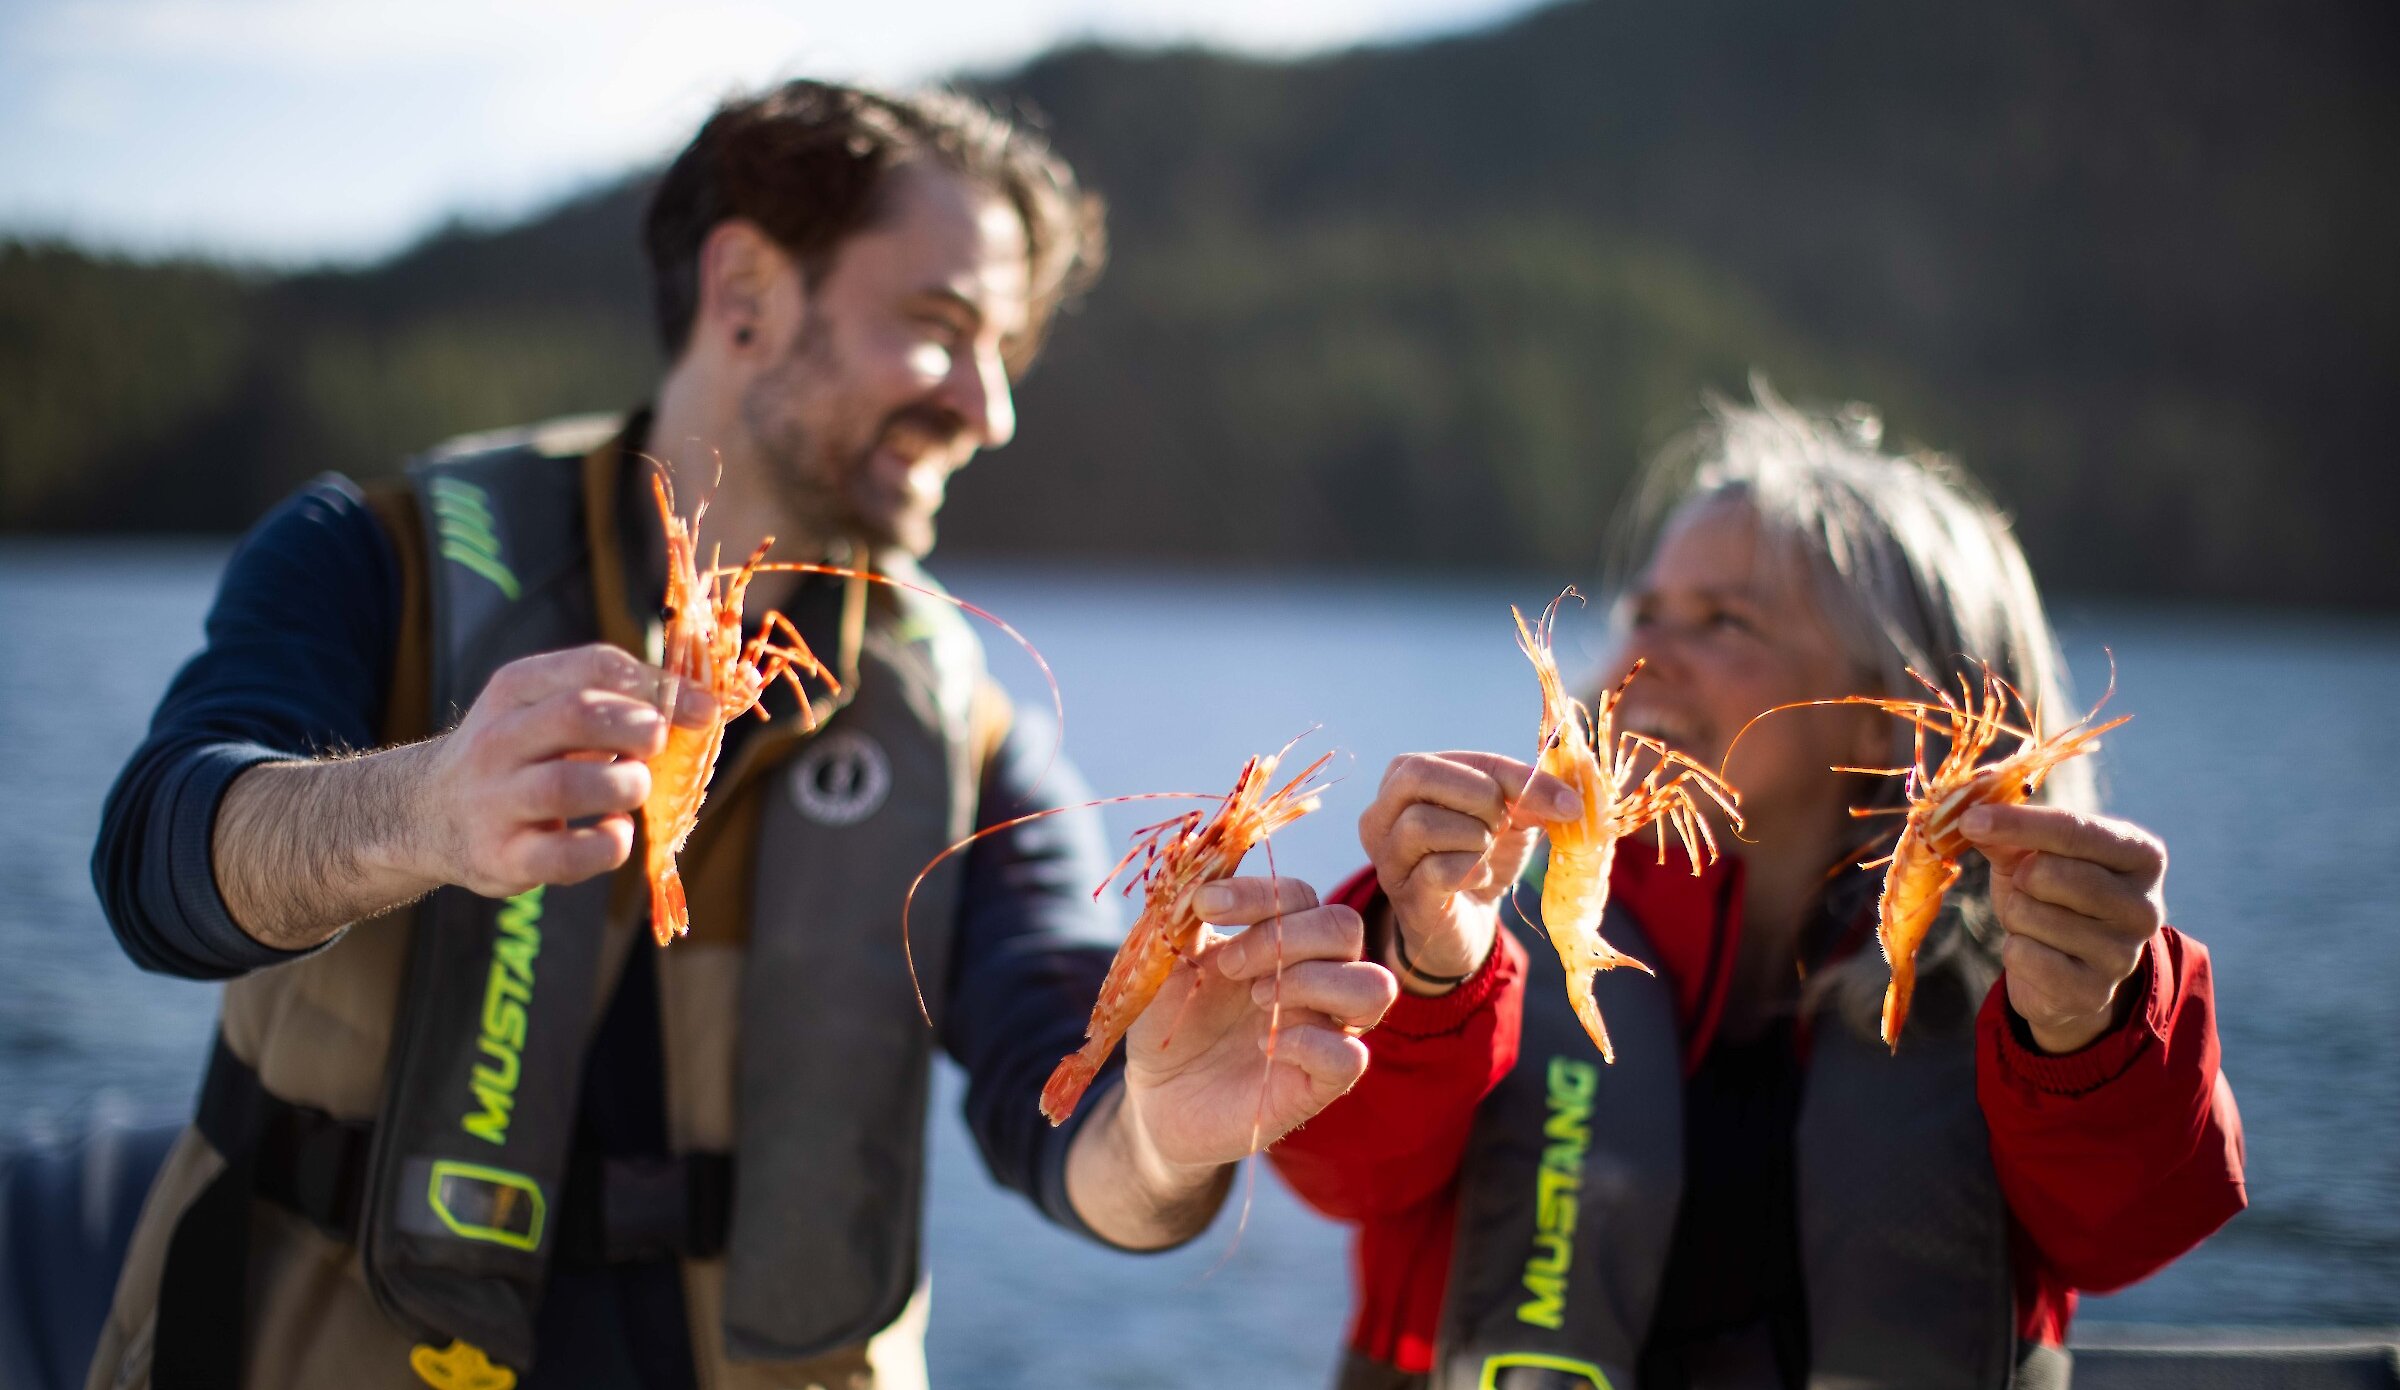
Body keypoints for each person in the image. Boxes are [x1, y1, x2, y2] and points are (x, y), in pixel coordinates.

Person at [88, 81, 1392, 1390]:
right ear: (748, 290)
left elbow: (1064, 1096)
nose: (988, 409)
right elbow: (158, 862)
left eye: (1007, 356)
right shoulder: (373, 556)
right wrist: (422, 805)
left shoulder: (959, 716)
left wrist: (1164, 1124)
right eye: (943, 328)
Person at [1271, 386, 2246, 1390]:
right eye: (1644, 610)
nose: (1644, 657)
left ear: (1895, 716)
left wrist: (2092, 1028)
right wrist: (1421, 970)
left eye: (1723, 621)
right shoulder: (1492, 940)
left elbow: (2136, 1224)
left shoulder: (2027, 999)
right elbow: (1330, 1164)